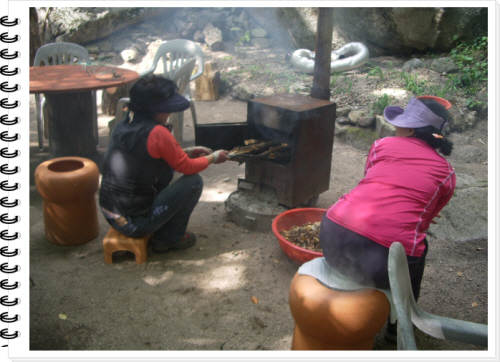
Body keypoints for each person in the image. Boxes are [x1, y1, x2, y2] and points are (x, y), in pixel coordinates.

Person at [319, 97, 456, 342]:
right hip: (385, 265)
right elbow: (423, 224)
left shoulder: (381, 144)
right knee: (419, 247)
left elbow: (369, 183)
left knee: (409, 243)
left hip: (332, 238)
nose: (396, 127)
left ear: (411, 129)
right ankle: (399, 327)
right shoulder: (446, 173)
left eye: (401, 123)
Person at [99, 74, 230, 254]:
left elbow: (147, 156)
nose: (170, 112)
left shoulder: (125, 123)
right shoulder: (157, 132)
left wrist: (188, 152)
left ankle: (161, 229)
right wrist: (214, 158)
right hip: (134, 224)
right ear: (157, 109)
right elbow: (187, 168)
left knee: (166, 168)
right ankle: (167, 238)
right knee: (194, 182)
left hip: (111, 212)